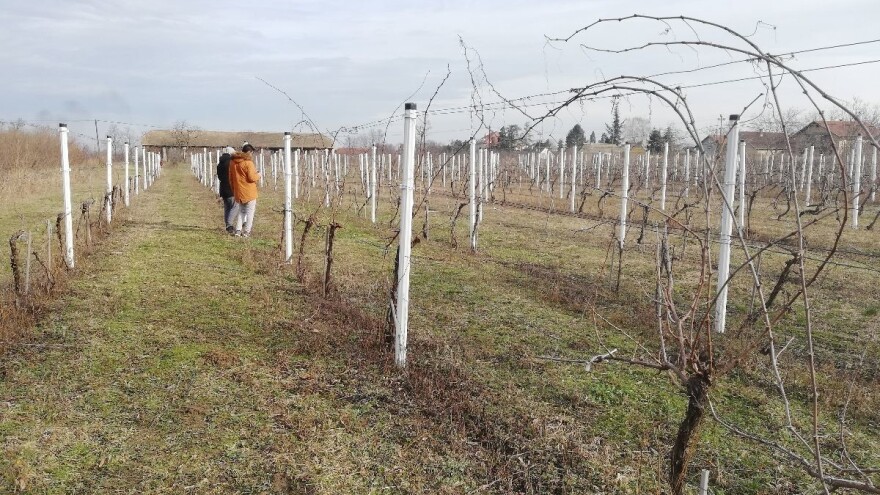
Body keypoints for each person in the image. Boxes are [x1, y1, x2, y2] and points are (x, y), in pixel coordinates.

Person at [229, 143, 261, 237]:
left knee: (241, 212)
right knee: (250, 213)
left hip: (239, 191)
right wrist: (258, 175)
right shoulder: (248, 163)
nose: (252, 155)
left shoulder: (232, 162)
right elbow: (252, 178)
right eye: (252, 153)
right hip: (249, 192)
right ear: (249, 152)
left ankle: (238, 230)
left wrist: (234, 190)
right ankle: (247, 231)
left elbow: (230, 178)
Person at [216, 146, 237, 233]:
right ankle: (229, 225)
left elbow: (219, 176)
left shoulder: (219, 163)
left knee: (227, 207)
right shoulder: (231, 163)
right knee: (235, 206)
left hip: (222, 188)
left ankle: (227, 224)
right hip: (230, 188)